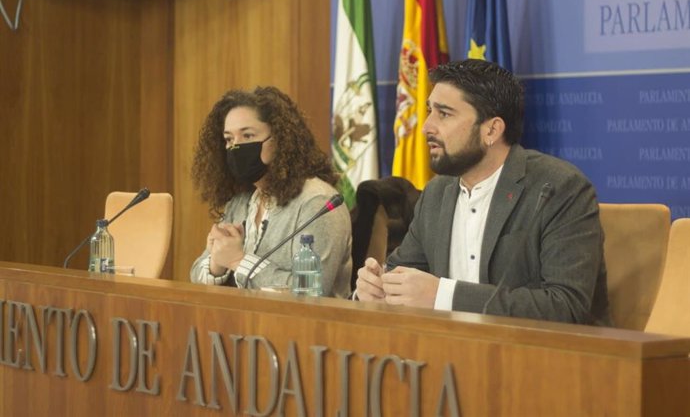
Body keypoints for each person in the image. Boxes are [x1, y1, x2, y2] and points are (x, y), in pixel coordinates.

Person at [355, 59, 611, 325]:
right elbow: (403, 274)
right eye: (430, 111)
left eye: (444, 114)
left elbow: (566, 305)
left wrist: (443, 295)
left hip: (546, 359)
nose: (426, 127)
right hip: (451, 356)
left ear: (491, 129)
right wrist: (378, 289)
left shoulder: (559, 188)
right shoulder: (437, 193)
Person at [189, 86, 352, 297]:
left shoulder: (317, 203)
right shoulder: (242, 201)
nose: (236, 147)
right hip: (245, 326)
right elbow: (196, 274)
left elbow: (310, 292)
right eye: (229, 139)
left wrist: (238, 261)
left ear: (280, 139)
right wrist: (216, 264)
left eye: (247, 135)